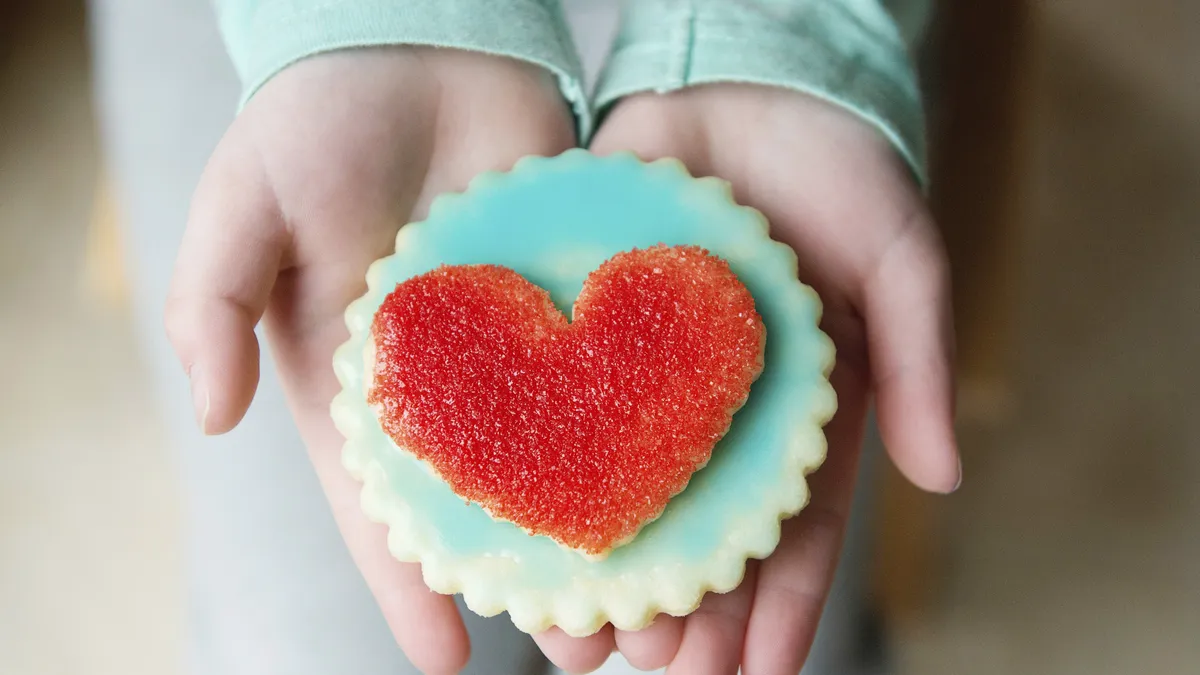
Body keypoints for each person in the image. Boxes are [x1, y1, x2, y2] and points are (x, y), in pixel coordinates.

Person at [91, 1, 959, 673]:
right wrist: (376, 24)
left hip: (788, 36)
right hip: (295, 35)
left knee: (766, 641)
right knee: (305, 646)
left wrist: (776, 36)